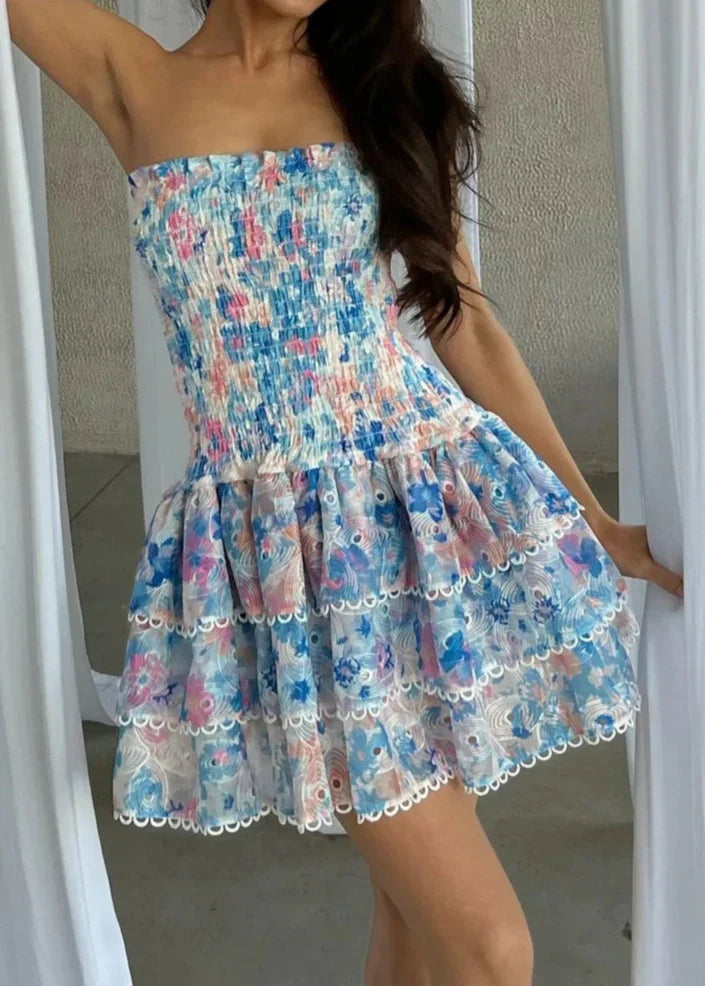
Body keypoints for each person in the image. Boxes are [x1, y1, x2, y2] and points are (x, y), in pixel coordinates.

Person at [10, 2, 683, 984]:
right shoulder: (136, 79)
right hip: (288, 571)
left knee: (424, 928)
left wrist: (593, 517)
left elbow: (464, 321)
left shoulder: (384, 91)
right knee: (486, 947)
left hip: (423, 526)